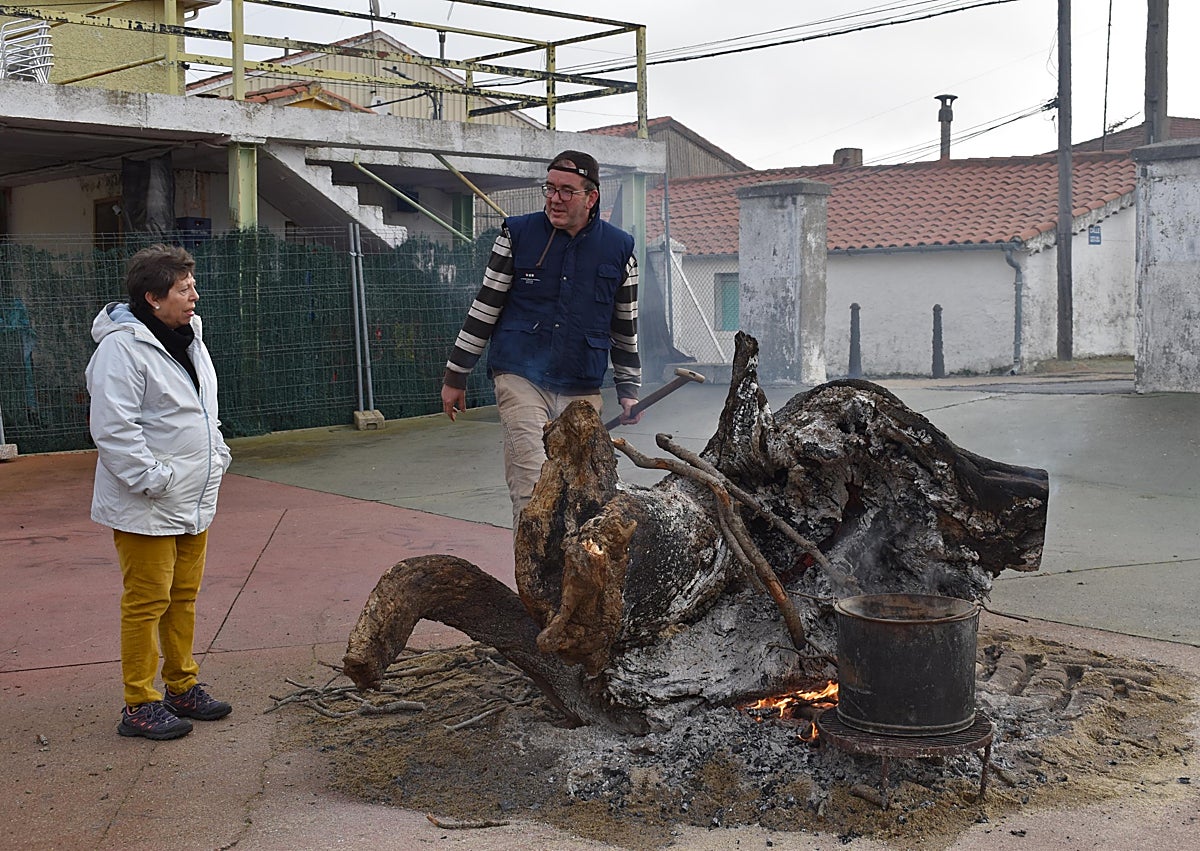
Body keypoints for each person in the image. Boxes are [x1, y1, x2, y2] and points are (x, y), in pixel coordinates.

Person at [441, 150, 642, 526]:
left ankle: (571, 578)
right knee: (532, 486)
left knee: (580, 493)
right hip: (520, 377)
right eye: (549, 189)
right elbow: (485, 307)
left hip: (582, 385)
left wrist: (629, 388)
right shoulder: (517, 236)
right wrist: (456, 375)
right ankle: (531, 582)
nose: (554, 199)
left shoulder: (620, 250)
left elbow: (624, 326)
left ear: (591, 197)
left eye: (566, 191)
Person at [87, 244, 234, 741]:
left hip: (193, 495)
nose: (195, 295)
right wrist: (154, 479)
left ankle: (181, 686)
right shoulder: (120, 349)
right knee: (147, 600)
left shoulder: (189, 337)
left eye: (192, 285)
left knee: (183, 596)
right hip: (147, 500)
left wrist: (217, 456)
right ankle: (139, 703)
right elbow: (113, 429)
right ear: (153, 297)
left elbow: (197, 411)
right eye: (183, 288)